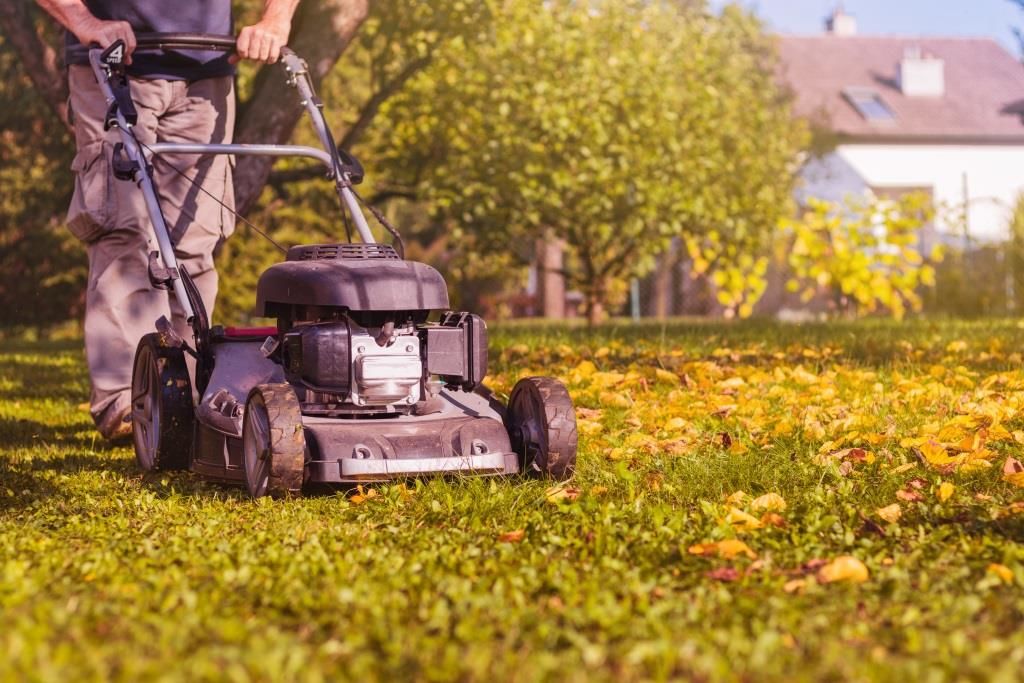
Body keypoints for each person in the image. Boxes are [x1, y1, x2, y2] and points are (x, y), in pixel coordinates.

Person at [36, 0, 300, 440]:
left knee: (194, 242)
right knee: (124, 231)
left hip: (208, 71)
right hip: (115, 65)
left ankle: (187, 395)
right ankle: (129, 396)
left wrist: (276, 19)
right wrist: (85, 22)